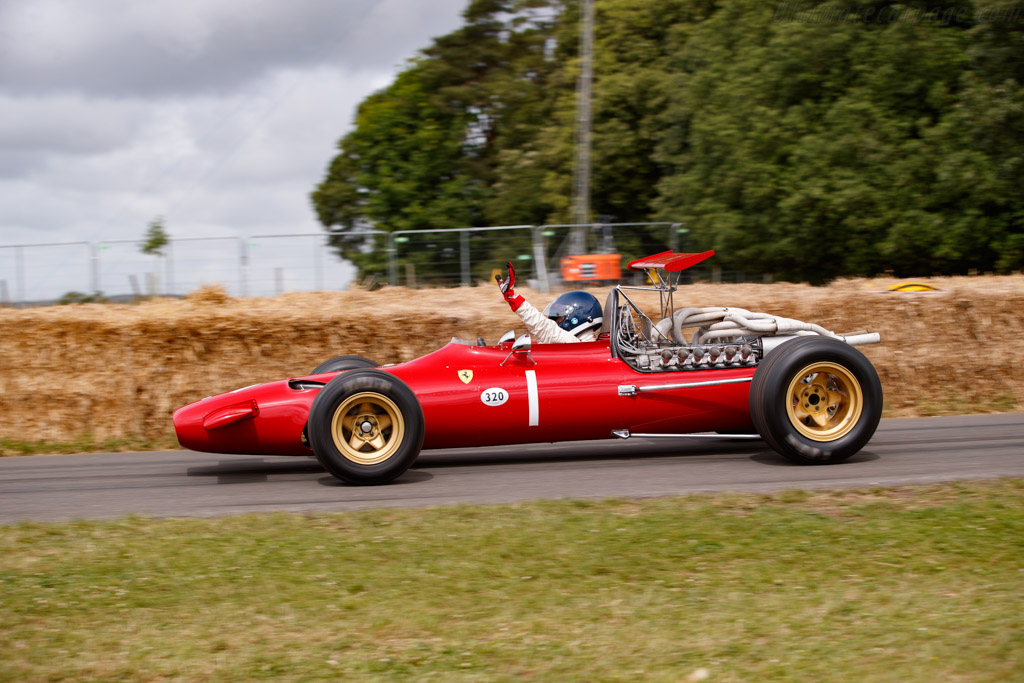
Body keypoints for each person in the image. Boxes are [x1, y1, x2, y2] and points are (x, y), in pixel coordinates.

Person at [496, 262, 603, 343]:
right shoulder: (575, 344)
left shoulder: (577, 344)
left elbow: (543, 328)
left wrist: (513, 298)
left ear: (576, 319)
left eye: (558, 318)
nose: (554, 322)